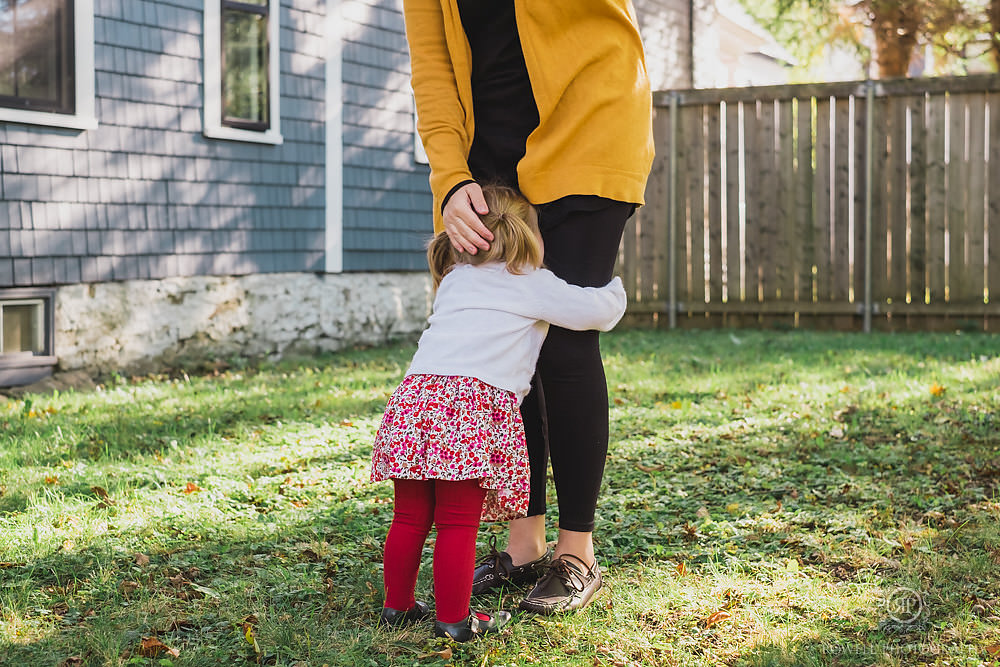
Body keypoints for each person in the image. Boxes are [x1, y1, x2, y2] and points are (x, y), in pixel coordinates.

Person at [402, 0, 654, 614]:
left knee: (563, 342)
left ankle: (577, 553)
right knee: (505, 345)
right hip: (488, 155)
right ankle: (525, 542)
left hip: (591, 123)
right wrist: (449, 176)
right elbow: (432, 67)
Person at [370, 185, 628, 641]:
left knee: (409, 517)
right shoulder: (532, 281)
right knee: (456, 521)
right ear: (532, 237)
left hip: (413, 403)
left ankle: (398, 606)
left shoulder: (453, 278)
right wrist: (616, 289)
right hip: (468, 411)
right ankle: (454, 620)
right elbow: (596, 313)